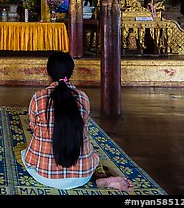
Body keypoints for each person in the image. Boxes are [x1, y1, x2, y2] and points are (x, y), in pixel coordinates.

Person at [22, 51, 134, 191]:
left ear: (48, 72)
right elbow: (83, 127)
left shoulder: (38, 98)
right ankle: (99, 178)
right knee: (89, 149)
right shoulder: (82, 97)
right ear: (71, 72)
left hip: (44, 175)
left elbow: (33, 127)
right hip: (83, 176)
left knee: (24, 152)